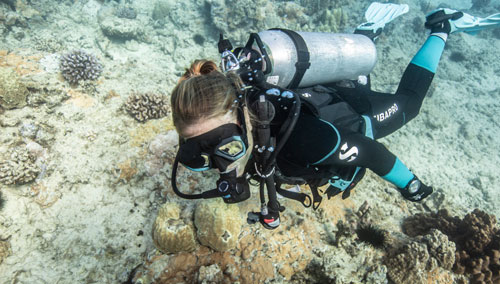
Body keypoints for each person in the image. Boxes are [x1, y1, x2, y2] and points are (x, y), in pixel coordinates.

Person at [169, 6, 497, 229]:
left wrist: (410, 185)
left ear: (243, 116)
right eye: (196, 153)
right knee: (353, 79)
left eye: (227, 148)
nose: (218, 163)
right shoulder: (223, 122)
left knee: (409, 105)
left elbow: (371, 151)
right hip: (319, 96)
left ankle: (442, 27)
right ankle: (365, 34)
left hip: (357, 115)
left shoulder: (305, 140)